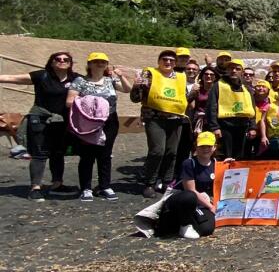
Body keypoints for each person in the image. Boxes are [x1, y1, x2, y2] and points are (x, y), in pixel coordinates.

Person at [1, 52, 82, 201]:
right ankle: (35, 188)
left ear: (70, 63)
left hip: (62, 121)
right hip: (40, 120)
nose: (62, 61)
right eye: (58, 59)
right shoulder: (42, 76)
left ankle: (57, 184)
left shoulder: (76, 79)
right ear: (51, 62)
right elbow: (13, 78)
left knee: (58, 153)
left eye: (66, 59)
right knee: (39, 154)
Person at [67, 52, 132, 201]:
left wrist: (121, 76)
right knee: (87, 155)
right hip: (87, 121)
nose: (100, 64)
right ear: (89, 64)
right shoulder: (80, 81)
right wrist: (91, 103)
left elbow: (127, 89)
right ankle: (86, 188)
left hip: (109, 121)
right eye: (96, 62)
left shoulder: (110, 81)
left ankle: (105, 186)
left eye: (103, 62)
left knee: (105, 154)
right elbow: (70, 101)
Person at [131, 50, 189, 199]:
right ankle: (149, 183)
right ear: (159, 61)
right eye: (165, 59)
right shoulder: (150, 74)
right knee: (157, 150)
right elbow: (135, 99)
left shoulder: (181, 77)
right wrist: (136, 86)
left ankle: (166, 182)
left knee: (172, 152)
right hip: (155, 119)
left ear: (175, 63)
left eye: (171, 60)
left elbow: (183, 98)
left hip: (175, 120)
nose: (168, 62)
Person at [155, 131, 219, 239]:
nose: (205, 149)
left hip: (200, 203)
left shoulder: (216, 163)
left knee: (207, 229)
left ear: (214, 147)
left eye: (209, 146)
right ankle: (184, 225)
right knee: (190, 196)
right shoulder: (189, 163)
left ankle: (183, 223)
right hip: (183, 200)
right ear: (196, 147)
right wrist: (211, 206)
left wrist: (229, 165)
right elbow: (191, 190)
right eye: (202, 146)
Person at [204, 59, 255, 160]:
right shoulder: (218, 85)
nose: (234, 71)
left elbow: (251, 109)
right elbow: (211, 108)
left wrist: (252, 127)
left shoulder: (247, 88)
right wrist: (215, 127)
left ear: (242, 71)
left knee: (240, 157)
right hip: (224, 127)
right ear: (227, 70)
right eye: (231, 68)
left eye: (237, 69)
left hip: (242, 127)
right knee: (225, 157)